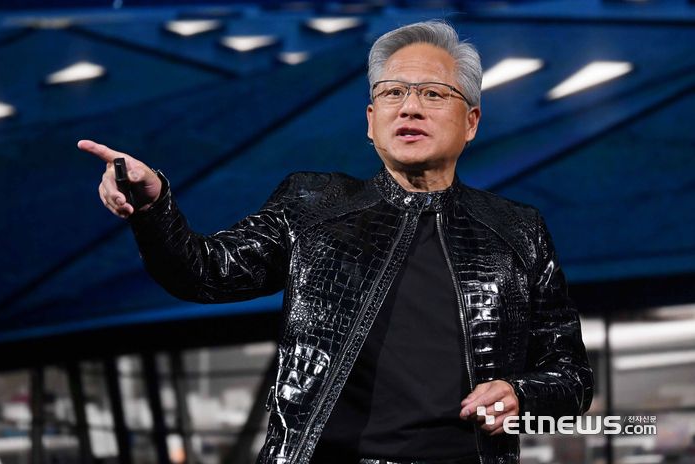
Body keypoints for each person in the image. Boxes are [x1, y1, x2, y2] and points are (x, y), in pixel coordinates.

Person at [79, 20, 593, 464]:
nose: (410, 108)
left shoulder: (517, 230)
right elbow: (204, 272)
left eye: (433, 94)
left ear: (471, 122)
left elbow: (572, 377)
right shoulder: (313, 204)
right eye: (393, 93)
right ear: (371, 122)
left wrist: (522, 393)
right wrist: (154, 204)